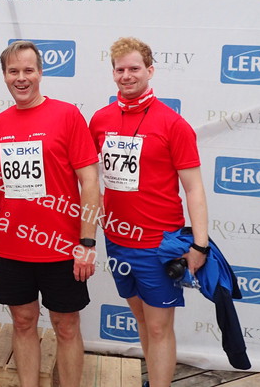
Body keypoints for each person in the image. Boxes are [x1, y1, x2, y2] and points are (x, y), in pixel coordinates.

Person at [88, 37, 210, 387]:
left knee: (159, 327)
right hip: (117, 240)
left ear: (150, 70)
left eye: (134, 68)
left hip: (158, 243)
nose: (127, 76)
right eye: (120, 69)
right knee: (141, 318)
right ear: (113, 73)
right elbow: (88, 176)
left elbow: (194, 188)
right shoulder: (100, 120)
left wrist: (199, 244)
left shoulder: (173, 124)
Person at [0, 41, 100, 387]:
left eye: (28, 70)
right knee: (22, 322)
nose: (21, 78)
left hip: (61, 247)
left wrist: (87, 242)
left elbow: (90, 182)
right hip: (13, 247)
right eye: (13, 71)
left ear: (40, 73)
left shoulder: (67, 115)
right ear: (4, 76)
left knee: (66, 325)